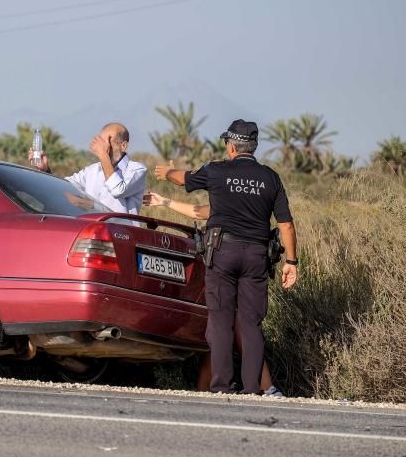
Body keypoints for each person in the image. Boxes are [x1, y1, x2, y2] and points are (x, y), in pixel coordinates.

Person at [154, 119, 298, 394]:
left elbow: (184, 178)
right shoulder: (271, 178)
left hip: (222, 252)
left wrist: (168, 172)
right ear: (252, 147)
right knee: (251, 323)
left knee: (219, 321)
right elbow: (286, 225)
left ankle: (221, 386)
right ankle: (253, 389)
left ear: (231, 146)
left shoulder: (216, 171)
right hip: (257, 255)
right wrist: (291, 262)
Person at [143, 191, 284, 397]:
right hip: (249, 269)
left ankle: (256, 386)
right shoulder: (255, 206)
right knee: (231, 329)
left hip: (223, 270)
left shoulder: (225, 204)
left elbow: (197, 212)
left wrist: (164, 201)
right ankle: (261, 386)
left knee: (224, 330)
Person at [29, 122, 147, 214]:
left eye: (109, 141)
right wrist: (45, 170)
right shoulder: (92, 171)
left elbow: (118, 190)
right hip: (92, 233)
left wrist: (103, 155)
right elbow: (62, 187)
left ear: (123, 145)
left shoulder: (136, 170)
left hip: (122, 236)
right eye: (101, 142)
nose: (104, 147)